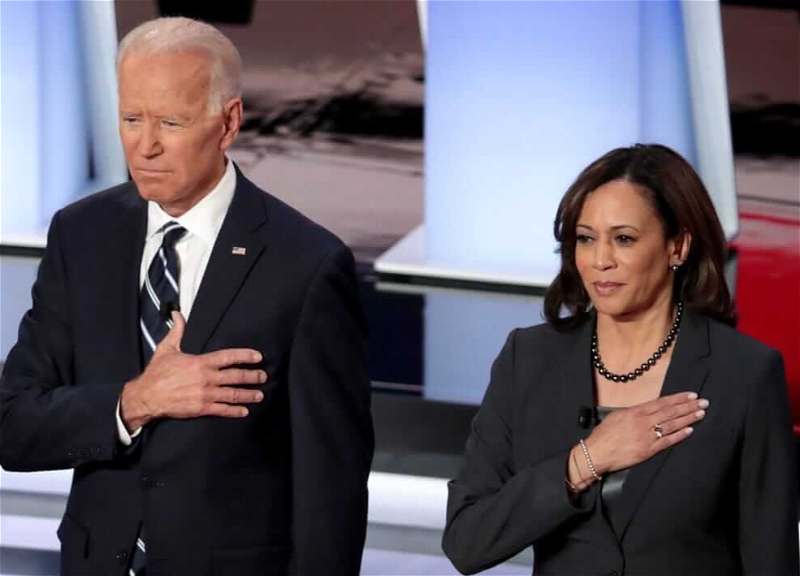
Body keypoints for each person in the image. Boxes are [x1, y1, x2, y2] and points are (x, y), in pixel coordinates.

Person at [0, 17, 373, 576]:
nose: (145, 145)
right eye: (132, 119)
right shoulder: (81, 235)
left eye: (170, 122)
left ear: (228, 122)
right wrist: (134, 402)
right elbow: (13, 428)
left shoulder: (307, 265)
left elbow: (331, 489)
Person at [442, 144, 799, 575]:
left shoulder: (744, 373)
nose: (600, 260)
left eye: (624, 239)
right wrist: (585, 461)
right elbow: (467, 541)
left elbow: (770, 559)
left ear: (678, 246)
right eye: (586, 238)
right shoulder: (529, 359)